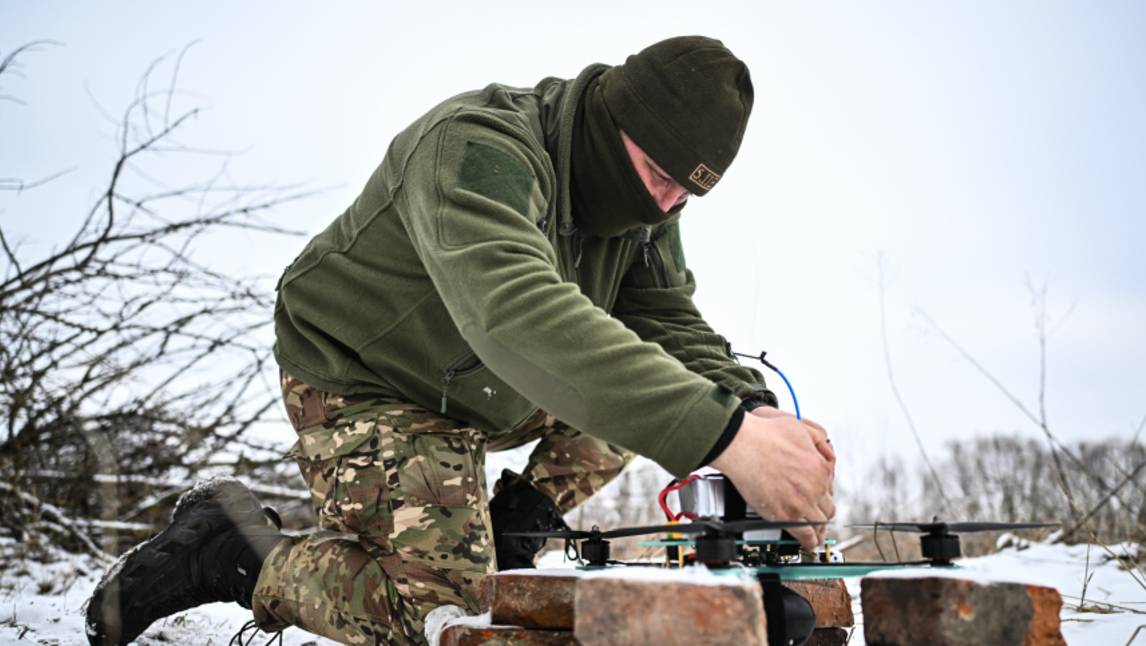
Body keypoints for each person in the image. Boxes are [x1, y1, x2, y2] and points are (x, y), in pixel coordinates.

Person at [85, 35, 836, 645]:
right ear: (614, 118)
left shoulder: (649, 208)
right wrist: (723, 435)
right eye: (656, 174)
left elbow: (667, 323)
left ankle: (512, 525)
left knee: (662, 388)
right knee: (437, 616)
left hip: (491, 380)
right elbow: (515, 313)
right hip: (368, 377)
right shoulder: (480, 148)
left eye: (685, 192)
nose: (663, 202)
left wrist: (751, 412)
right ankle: (234, 551)